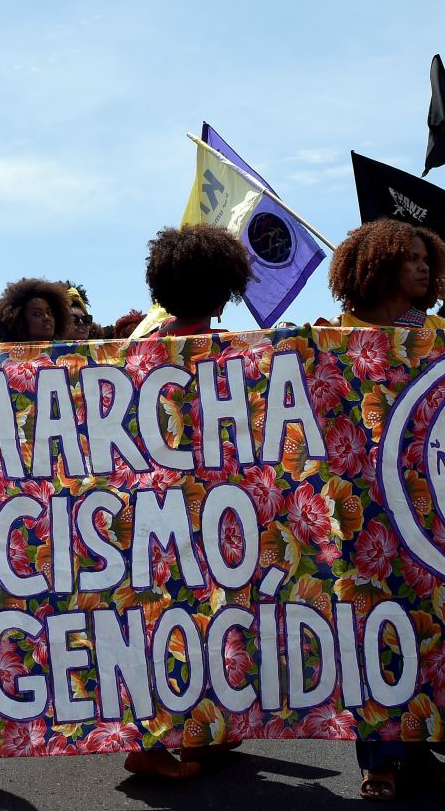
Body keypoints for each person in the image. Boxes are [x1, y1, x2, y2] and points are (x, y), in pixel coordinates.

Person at [325, 220, 445, 798]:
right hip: (364, 510)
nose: (421, 267)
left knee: (432, 629)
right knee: (374, 632)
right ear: (377, 267)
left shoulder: (436, 329)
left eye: (425, 258)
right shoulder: (336, 334)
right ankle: (378, 760)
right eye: (409, 258)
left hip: (436, 505)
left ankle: (421, 751)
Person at [122, 223, 252, 782]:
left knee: (180, 620)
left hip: (159, 505)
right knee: (173, 621)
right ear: (224, 287)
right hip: (185, 509)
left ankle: (194, 730)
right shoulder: (219, 349)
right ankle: (147, 745)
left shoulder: (138, 347)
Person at [327, 219, 445, 334]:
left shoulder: (438, 328)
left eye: (426, 260)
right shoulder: (338, 328)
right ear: (384, 264)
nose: (425, 267)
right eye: (413, 258)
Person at [0, 278, 71, 342]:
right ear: (20, 320)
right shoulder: (3, 360)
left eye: (49, 312)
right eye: (37, 314)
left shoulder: (69, 355)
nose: (47, 318)